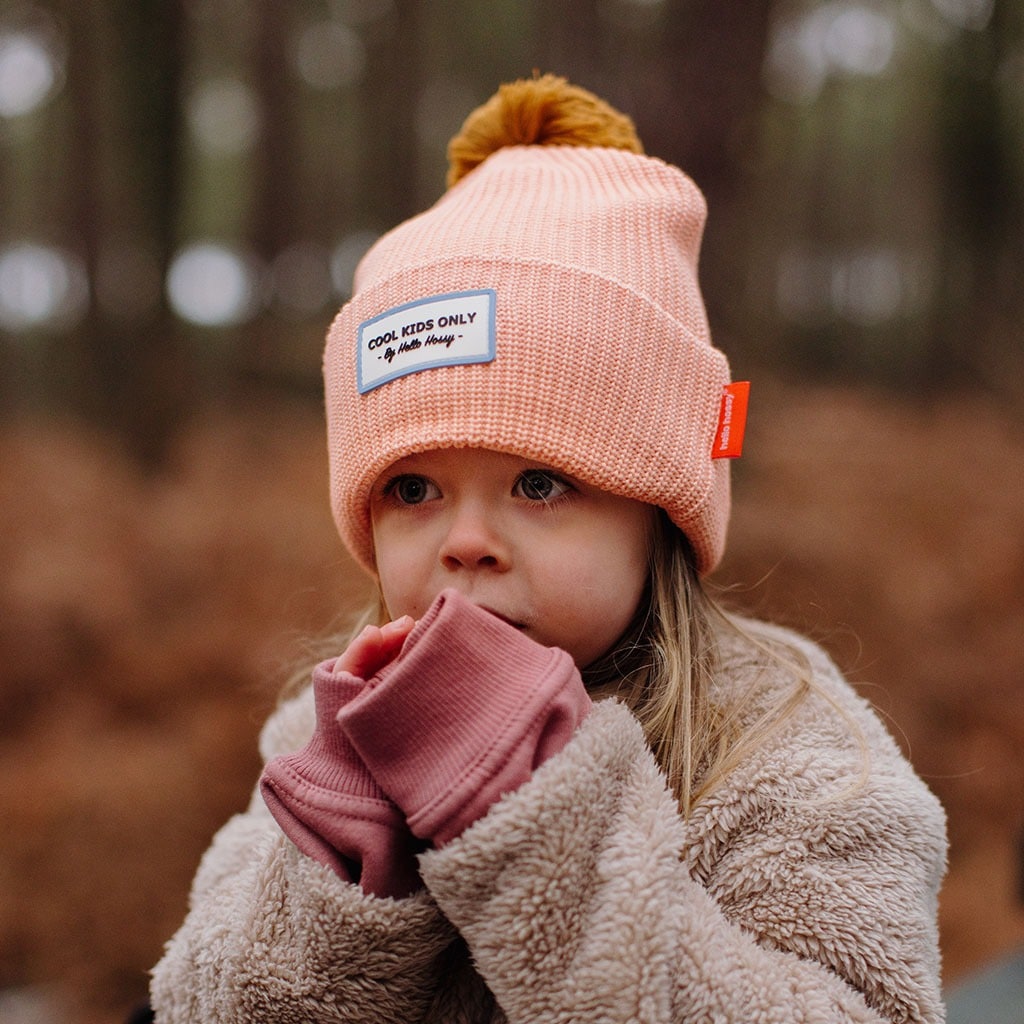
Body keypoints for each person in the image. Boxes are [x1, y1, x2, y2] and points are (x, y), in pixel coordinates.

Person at [150, 74, 947, 1022]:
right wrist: (340, 879)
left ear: (660, 511)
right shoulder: (322, 738)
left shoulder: (792, 759)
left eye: (540, 484)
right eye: (414, 490)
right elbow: (201, 1003)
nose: (469, 543)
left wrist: (537, 819)